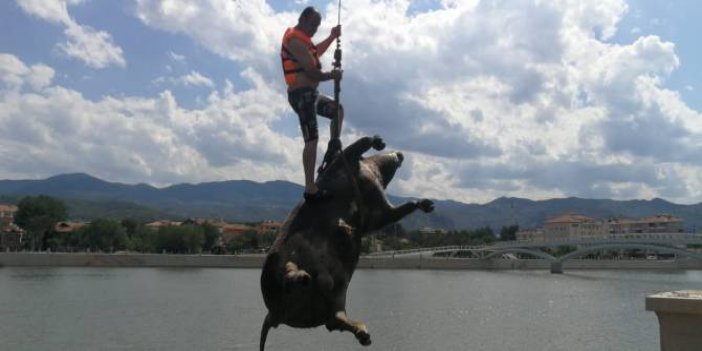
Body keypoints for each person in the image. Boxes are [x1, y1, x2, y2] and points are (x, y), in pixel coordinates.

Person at [281, 6, 343, 202]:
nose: (316, 28)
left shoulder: (304, 42)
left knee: (337, 111)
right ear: (304, 18)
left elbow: (316, 53)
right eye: (314, 24)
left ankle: (333, 148)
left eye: (318, 25)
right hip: (301, 95)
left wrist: (332, 36)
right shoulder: (294, 41)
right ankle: (310, 188)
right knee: (312, 140)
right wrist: (331, 76)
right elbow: (311, 72)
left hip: (311, 94)